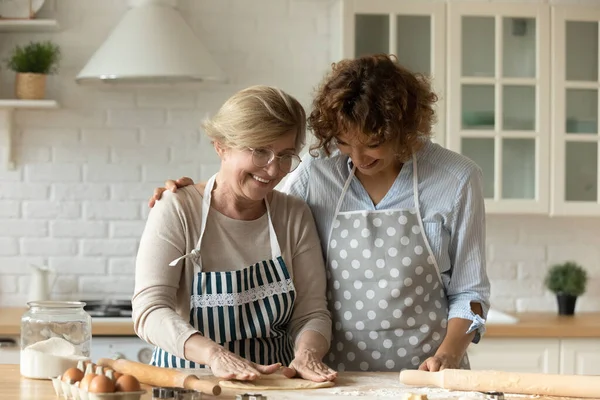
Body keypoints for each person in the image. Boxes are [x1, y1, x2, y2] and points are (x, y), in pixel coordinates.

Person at [148, 54, 491, 373]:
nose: (357, 158)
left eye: (373, 143)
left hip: (426, 374)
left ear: (405, 128)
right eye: (344, 142)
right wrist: (188, 196)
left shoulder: (456, 179)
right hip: (333, 375)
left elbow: (470, 293)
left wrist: (447, 355)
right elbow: (255, 199)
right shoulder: (318, 172)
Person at [133, 85, 337, 383]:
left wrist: (307, 354)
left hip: (271, 385)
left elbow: (311, 312)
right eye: (260, 152)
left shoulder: (293, 215)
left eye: (284, 155)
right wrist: (214, 355)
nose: (273, 169)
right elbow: (150, 310)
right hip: (189, 383)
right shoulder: (177, 208)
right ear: (221, 146)